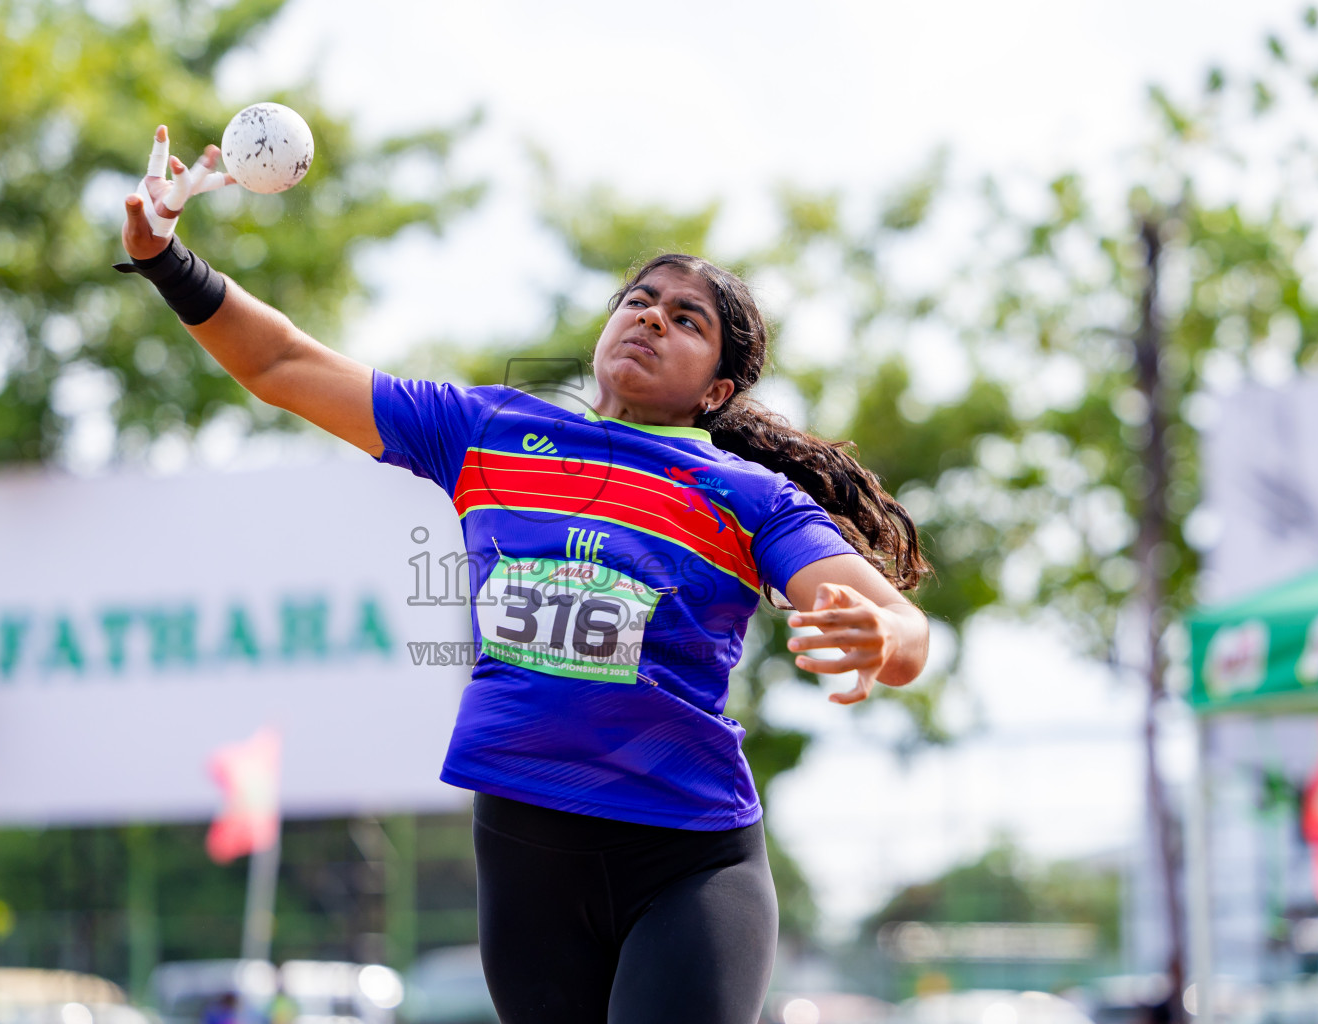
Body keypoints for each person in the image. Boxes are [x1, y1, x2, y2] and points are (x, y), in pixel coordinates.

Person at [119, 128, 932, 1024]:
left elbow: (902, 632)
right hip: (525, 852)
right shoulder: (487, 432)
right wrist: (166, 260)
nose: (652, 318)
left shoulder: (746, 494)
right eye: (640, 301)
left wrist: (883, 635)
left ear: (716, 392)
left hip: (689, 863)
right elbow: (281, 364)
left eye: (687, 319)